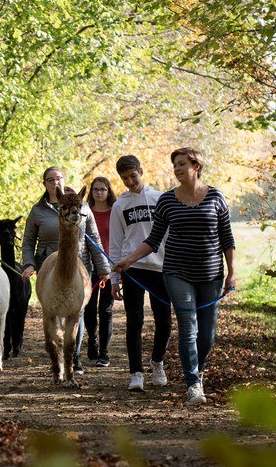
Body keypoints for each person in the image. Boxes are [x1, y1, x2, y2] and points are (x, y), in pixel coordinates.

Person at [111, 147, 235, 405]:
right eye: (175, 165)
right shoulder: (167, 201)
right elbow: (153, 239)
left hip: (210, 273)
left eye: (181, 164)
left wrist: (231, 273)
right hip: (176, 271)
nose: (177, 169)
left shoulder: (215, 197)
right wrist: (127, 261)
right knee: (187, 329)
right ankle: (193, 384)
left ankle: (193, 369)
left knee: (206, 334)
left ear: (196, 166)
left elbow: (227, 238)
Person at [21, 166, 112, 375]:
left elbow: (94, 239)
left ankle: (74, 357)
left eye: (59, 178)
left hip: (80, 265)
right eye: (50, 180)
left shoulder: (83, 207)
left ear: (64, 180)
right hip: (48, 268)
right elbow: (28, 241)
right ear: (44, 183)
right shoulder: (38, 211)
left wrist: (104, 269)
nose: (55, 183)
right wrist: (28, 264)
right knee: (52, 314)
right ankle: (56, 360)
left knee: (76, 312)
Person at [108, 156, 172, 392]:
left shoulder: (161, 198)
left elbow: (171, 235)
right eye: (124, 178)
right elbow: (115, 244)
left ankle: (158, 363)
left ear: (141, 171)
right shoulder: (119, 205)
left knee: (163, 319)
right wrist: (115, 278)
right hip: (131, 268)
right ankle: (136, 372)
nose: (129, 181)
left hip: (160, 267)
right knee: (134, 320)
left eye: (133, 176)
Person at [83, 176, 117, 367]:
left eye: (103, 189)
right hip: (89, 266)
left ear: (108, 191)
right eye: (96, 189)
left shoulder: (115, 212)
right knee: (88, 308)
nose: (99, 192)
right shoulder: (86, 211)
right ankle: (92, 340)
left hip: (110, 266)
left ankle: (104, 352)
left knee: (106, 309)